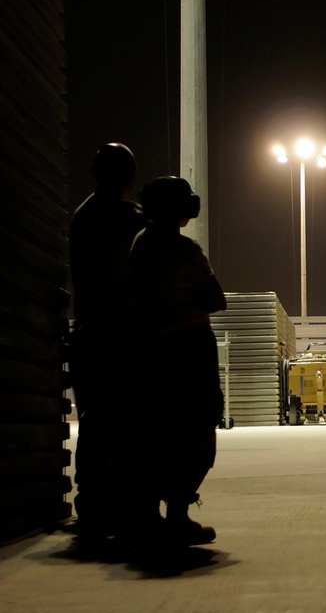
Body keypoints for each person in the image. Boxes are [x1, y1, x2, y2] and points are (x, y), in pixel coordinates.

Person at [125, 176, 227, 547]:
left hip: (151, 348)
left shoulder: (139, 244)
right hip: (191, 345)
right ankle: (178, 516)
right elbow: (217, 299)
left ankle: (148, 516)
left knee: (155, 429)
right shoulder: (186, 250)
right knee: (196, 429)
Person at [67, 142, 148, 538]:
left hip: (88, 334)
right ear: (128, 179)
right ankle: (122, 505)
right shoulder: (129, 217)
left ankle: (93, 505)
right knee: (128, 422)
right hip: (122, 337)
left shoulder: (82, 215)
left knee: (94, 421)